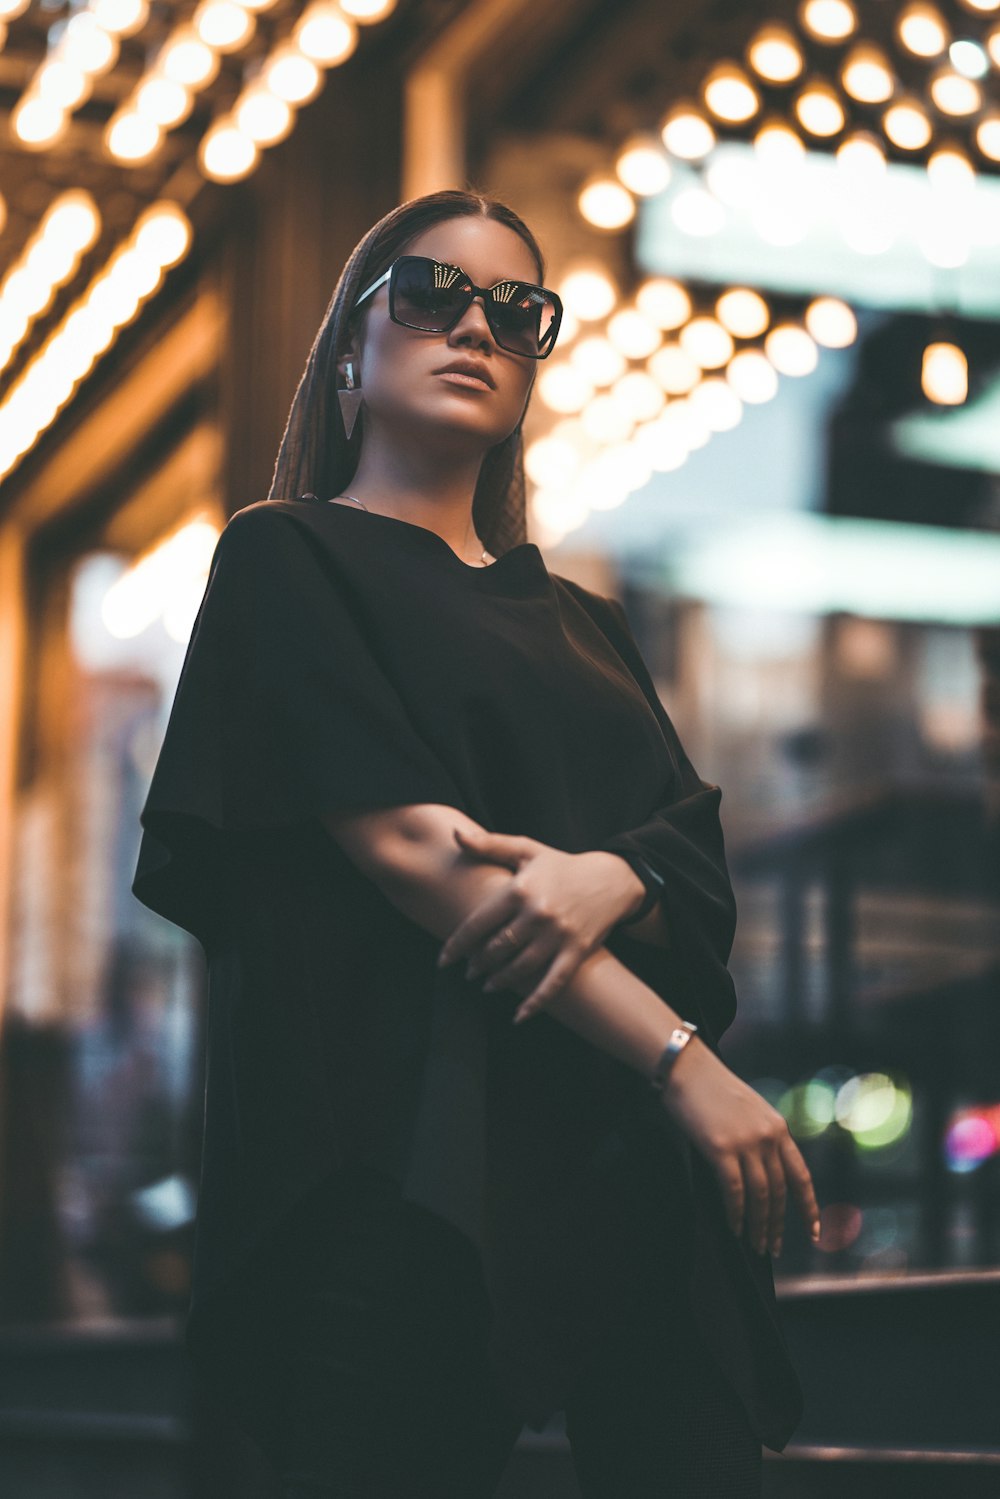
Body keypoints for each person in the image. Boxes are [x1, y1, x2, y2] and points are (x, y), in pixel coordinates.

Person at [131, 188, 821, 1498]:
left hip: (617, 1171)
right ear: (348, 347)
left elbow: (693, 859)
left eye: (518, 313)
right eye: (431, 293)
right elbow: (416, 855)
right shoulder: (288, 559)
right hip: (414, 1166)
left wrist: (604, 875)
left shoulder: (585, 623)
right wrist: (679, 1057)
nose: (477, 329)